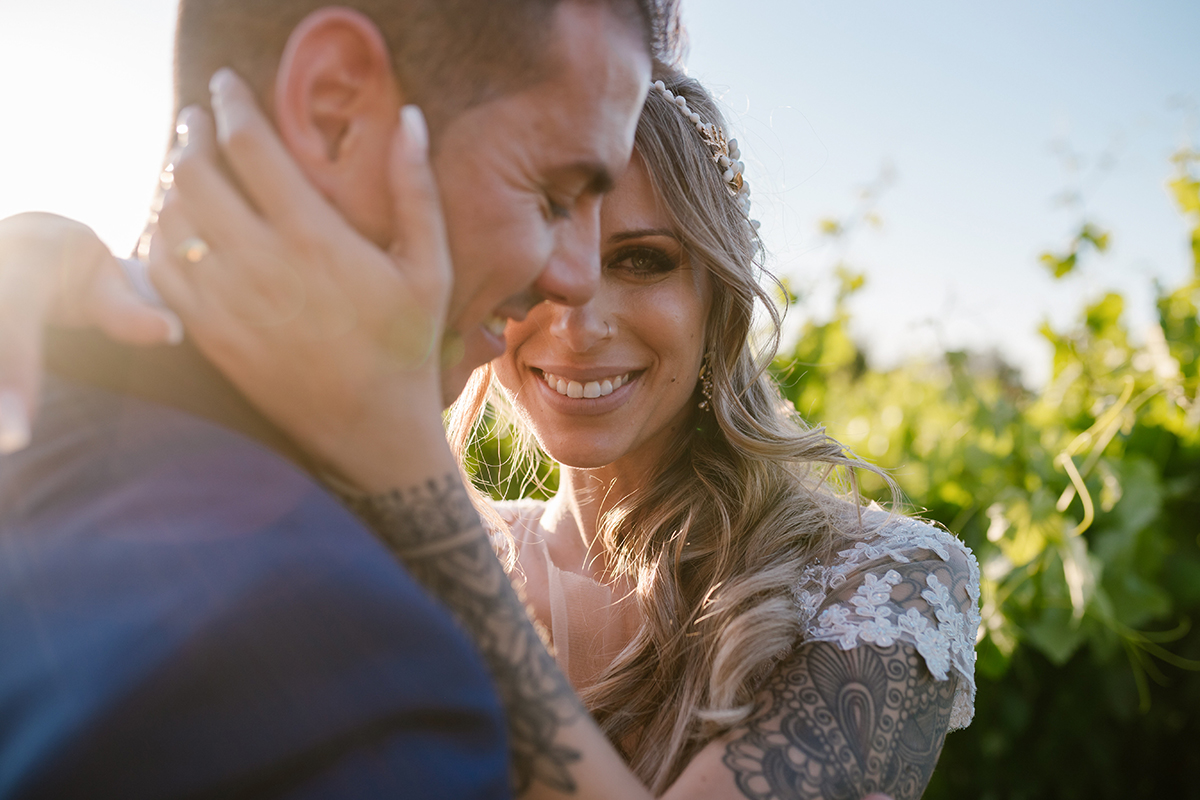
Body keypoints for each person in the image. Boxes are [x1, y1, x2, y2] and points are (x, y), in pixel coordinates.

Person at [0, 69, 979, 798]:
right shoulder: (392, 537)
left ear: (716, 296)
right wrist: (47, 265)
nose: (579, 319)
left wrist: (411, 486)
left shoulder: (880, 584)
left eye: (642, 261)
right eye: (545, 265)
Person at [0, 0, 670, 796]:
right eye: (554, 198)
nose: (575, 280)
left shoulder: (51, 395)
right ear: (333, 110)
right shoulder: (363, 679)